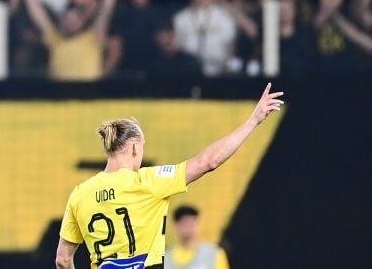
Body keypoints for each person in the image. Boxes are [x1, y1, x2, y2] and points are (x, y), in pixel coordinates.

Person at [55, 83, 284, 269]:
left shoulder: (80, 194)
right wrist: (252, 121)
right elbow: (208, 161)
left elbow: (63, 260)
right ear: (134, 147)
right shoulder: (148, 182)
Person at [164, 205, 229, 269]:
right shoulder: (166, 259)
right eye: (186, 222)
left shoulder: (214, 253)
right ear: (176, 225)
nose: (190, 227)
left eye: (193, 222)